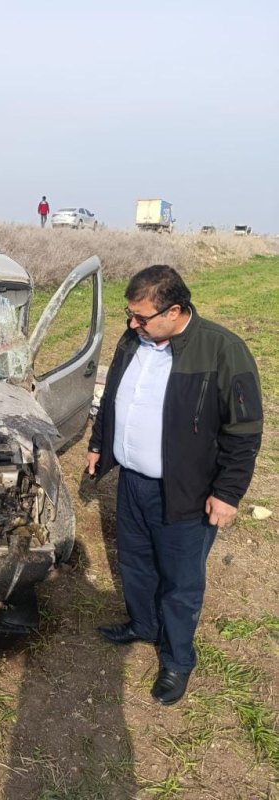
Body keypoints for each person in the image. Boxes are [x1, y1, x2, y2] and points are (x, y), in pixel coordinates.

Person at [85, 265, 262, 706]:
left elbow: (245, 431)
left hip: (187, 491)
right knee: (138, 564)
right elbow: (111, 400)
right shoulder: (134, 342)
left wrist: (227, 493)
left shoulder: (222, 351)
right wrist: (98, 444)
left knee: (181, 581)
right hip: (132, 483)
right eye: (130, 315)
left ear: (175, 310)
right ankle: (143, 625)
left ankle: (178, 659)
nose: (132, 324)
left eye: (142, 317)